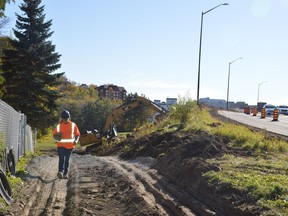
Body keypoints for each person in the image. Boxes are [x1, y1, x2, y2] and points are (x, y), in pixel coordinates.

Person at [52, 110, 80, 179]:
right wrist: (57, 136)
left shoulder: (73, 125)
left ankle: (65, 173)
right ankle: (60, 172)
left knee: (67, 160)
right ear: (62, 118)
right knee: (62, 158)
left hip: (70, 146)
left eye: (66, 118)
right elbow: (54, 135)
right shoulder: (58, 126)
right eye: (64, 118)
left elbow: (77, 134)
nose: (65, 120)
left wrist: (76, 141)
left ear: (69, 117)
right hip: (61, 145)